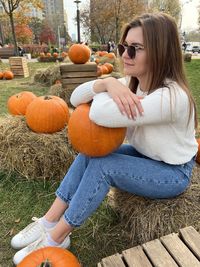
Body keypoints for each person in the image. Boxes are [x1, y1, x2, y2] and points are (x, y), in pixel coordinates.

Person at [11, 13, 198, 265]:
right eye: (123, 47)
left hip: (173, 173)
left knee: (103, 165)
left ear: (161, 51)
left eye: (135, 49)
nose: (124, 55)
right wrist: (106, 84)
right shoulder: (133, 84)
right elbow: (76, 99)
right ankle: (49, 220)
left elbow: (98, 114)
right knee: (90, 151)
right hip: (147, 155)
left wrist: (108, 84)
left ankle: (56, 237)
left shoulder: (171, 98)